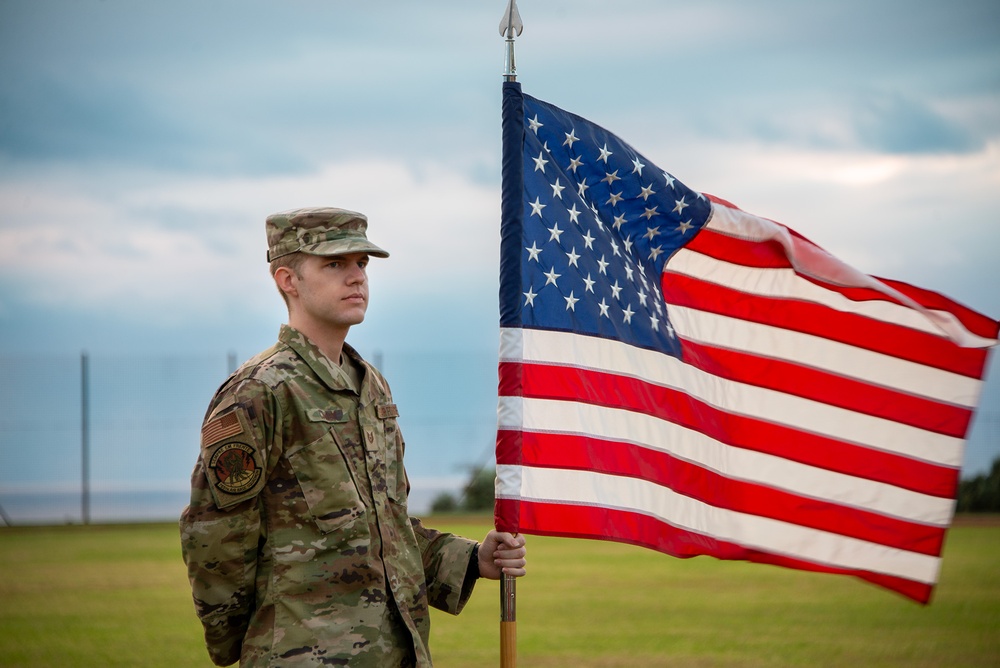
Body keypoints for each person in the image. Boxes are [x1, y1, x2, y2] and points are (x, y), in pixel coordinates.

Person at [180, 207, 527, 667]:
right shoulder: (262, 392)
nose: (356, 277)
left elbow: (387, 527)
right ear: (287, 280)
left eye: (361, 263)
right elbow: (215, 538)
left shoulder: (369, 386)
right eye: (334, 264)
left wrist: (471, 560)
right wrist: (249, 645)